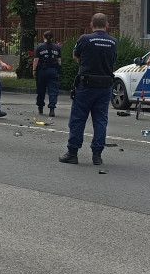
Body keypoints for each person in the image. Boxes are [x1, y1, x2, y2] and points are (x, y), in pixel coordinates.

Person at [60, 13, 117, 166]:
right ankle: (97, 155)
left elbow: (76, 56)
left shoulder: (85, 39)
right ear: (107, 25)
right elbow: (112, 59)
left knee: (78, 119)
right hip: (105, 85)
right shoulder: (113, 41)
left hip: (86, 85)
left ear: (91, 25)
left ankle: (72, 153)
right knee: (100, 120)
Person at [33, 29, 61, 117]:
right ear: (52, 38)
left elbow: (36, 60)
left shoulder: (39, 47)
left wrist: (34, 70)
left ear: (43, 37)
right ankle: (52, 109)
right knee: (53, 90)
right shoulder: (57, 47)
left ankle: (40, 107)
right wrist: (58, 70)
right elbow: (59, 60)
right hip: (53, 70)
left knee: (41, 90)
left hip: (42, 70)